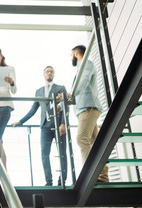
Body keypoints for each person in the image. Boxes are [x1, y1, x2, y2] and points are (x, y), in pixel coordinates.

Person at [12, 66, 67, 186]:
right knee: (44, 153)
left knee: (62, 152)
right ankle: (49, 181)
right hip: (45, 126)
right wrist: (20, 121)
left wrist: (63, 123)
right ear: (44, 74)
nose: (50, 73)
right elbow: (33, 110)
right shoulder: (39, 91)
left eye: (52, 72)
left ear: (54, 74)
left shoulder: (61, 88)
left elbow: (65, 107)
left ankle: (62, 179)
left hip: (59, 125)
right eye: (47, 72)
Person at [67, 45, 109, 182]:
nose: (71, 57)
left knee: (81, 139)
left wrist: (71, 95)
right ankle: (102, 176)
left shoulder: (86, 64)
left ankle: (87, 176)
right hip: (84, 109)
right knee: (94, 142)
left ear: (76, 52)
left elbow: (83, 82)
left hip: (88, 108)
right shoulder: (81, 67)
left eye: (71, 54)